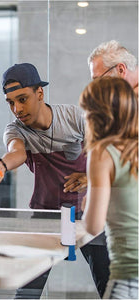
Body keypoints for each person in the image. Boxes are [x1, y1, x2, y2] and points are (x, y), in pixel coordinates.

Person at [0, 63, 108, 298]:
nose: (17, 109)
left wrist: (90, 177)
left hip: (88, 212)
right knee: (27, 291)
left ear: (40, 93)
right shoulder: (15, 130)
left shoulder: (74, 117)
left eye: (22, 99)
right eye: (10, 103)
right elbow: (16, 152)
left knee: (110, 286)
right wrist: (0, 163)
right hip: (47, 216)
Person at [80, 77, 138, 299]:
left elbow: (93, 226)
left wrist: (88, 205)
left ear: (96, 114)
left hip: (128, 275)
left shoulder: (102, 152)